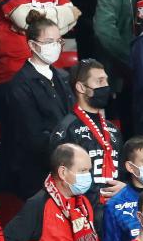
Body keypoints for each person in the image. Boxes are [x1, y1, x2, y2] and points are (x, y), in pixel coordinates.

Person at [0, 15, 73, 198]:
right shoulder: (20, 84)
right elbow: (30, 134)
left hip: (64, 162)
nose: (55, 46)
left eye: (58, 41)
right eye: (49, 42)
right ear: (32, 45)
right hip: (36, 170)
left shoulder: (62, 77)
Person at [5, 143, 102, 241]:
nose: (88, 176)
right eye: (83, 171)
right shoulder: (39, 205)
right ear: (63, 172)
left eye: (89, 170)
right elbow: (8, 240)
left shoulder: (83, 202)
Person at [51, 59, 125, 206]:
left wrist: (125, 187)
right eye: (100, 81)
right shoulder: (67, 129)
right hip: (85, 210)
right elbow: (61, 181)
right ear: (81, 87)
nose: (106, 86)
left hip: (116, 207)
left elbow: (123, 171)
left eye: (106, 81)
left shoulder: (112, 129)